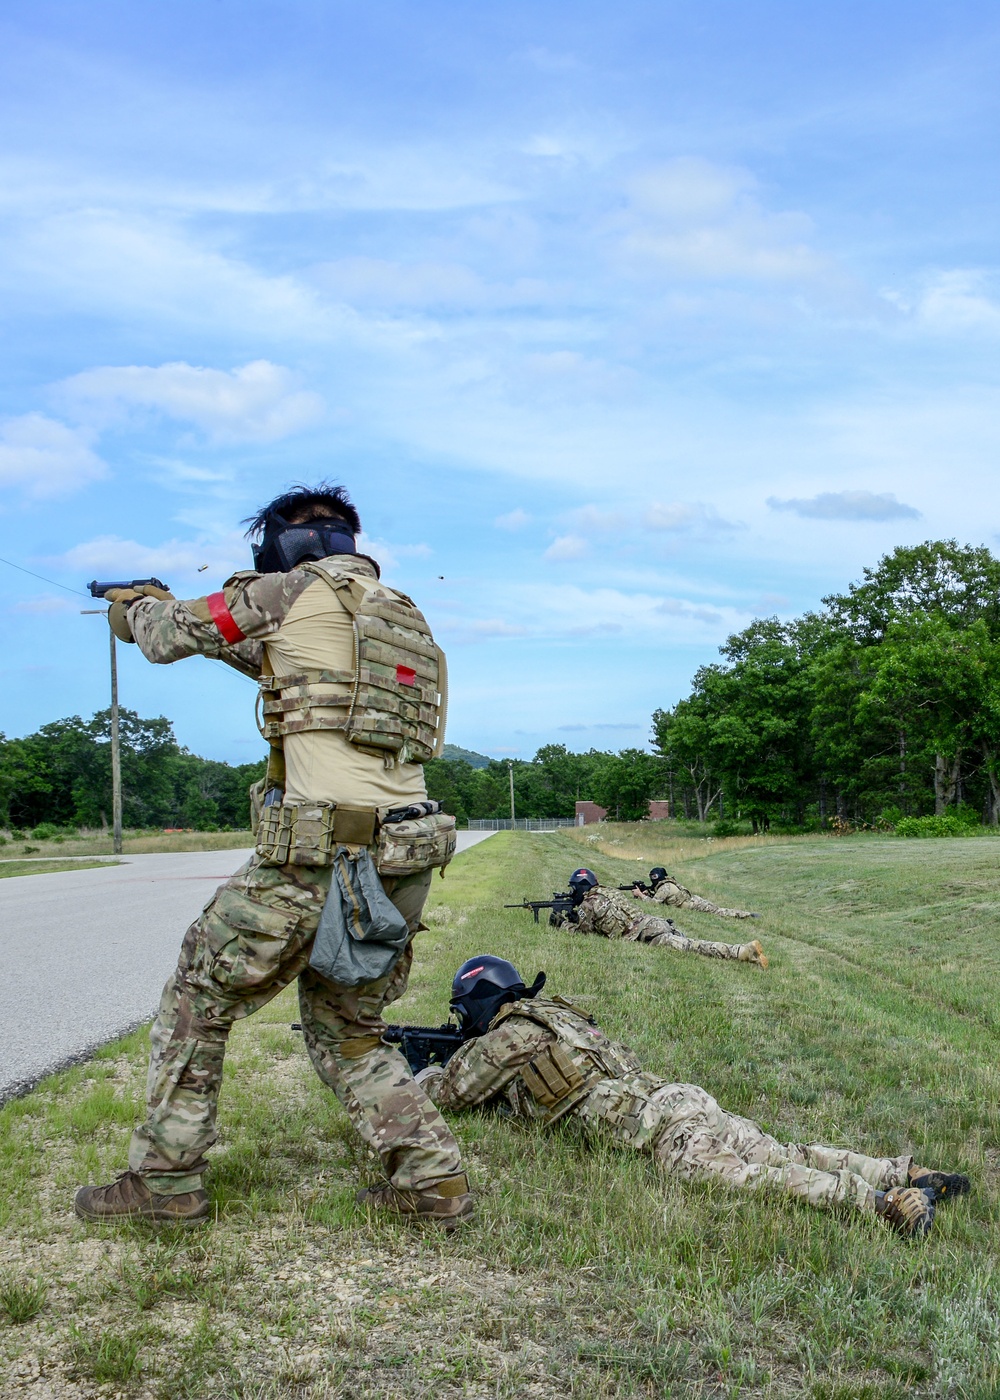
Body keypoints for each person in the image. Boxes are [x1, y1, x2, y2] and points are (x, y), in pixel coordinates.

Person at [74, 483, 472, 1228]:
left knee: (197, 1004)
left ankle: (165, 1185)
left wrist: (133, 605)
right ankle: (433, 1184)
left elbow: (163, 638)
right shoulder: (395, 614)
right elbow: (284, 669)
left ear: (286, 545)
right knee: (349, 1033)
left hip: (316, 857)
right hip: (402, 855)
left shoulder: (288, 589)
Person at [418, 957, 970, 1238]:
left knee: (750, 1177)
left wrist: (417, 1069)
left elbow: (448, 1095)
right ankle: (902, 1170)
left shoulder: (504, 1038)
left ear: (478, 1001)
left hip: (660, 1128)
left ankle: (880, 1203)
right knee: (781, 1151)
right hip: (680, 1097)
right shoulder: (558, 1016)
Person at [554, 869, 769, 969]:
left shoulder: (587, 905)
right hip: (653, 922)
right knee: (690, 942)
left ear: (580, 888)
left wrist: (562, 923)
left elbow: (584, 933)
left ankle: (743, 952)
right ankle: (743, 952)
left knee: (692, 946)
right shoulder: (608, 892)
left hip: (647, 934)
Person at [635, 867, 757, 920]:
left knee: (719, 911)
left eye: (655, 876)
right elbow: (658, 899)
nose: (653, 879)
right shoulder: (664, 884)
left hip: (694, 904)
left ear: (660, 876)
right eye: (651, 876)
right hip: (693, 901)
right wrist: (646, 895)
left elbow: (654, 904)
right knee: (718, 910)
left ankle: (746, 915)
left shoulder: (665, 886)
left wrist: (641, 896)